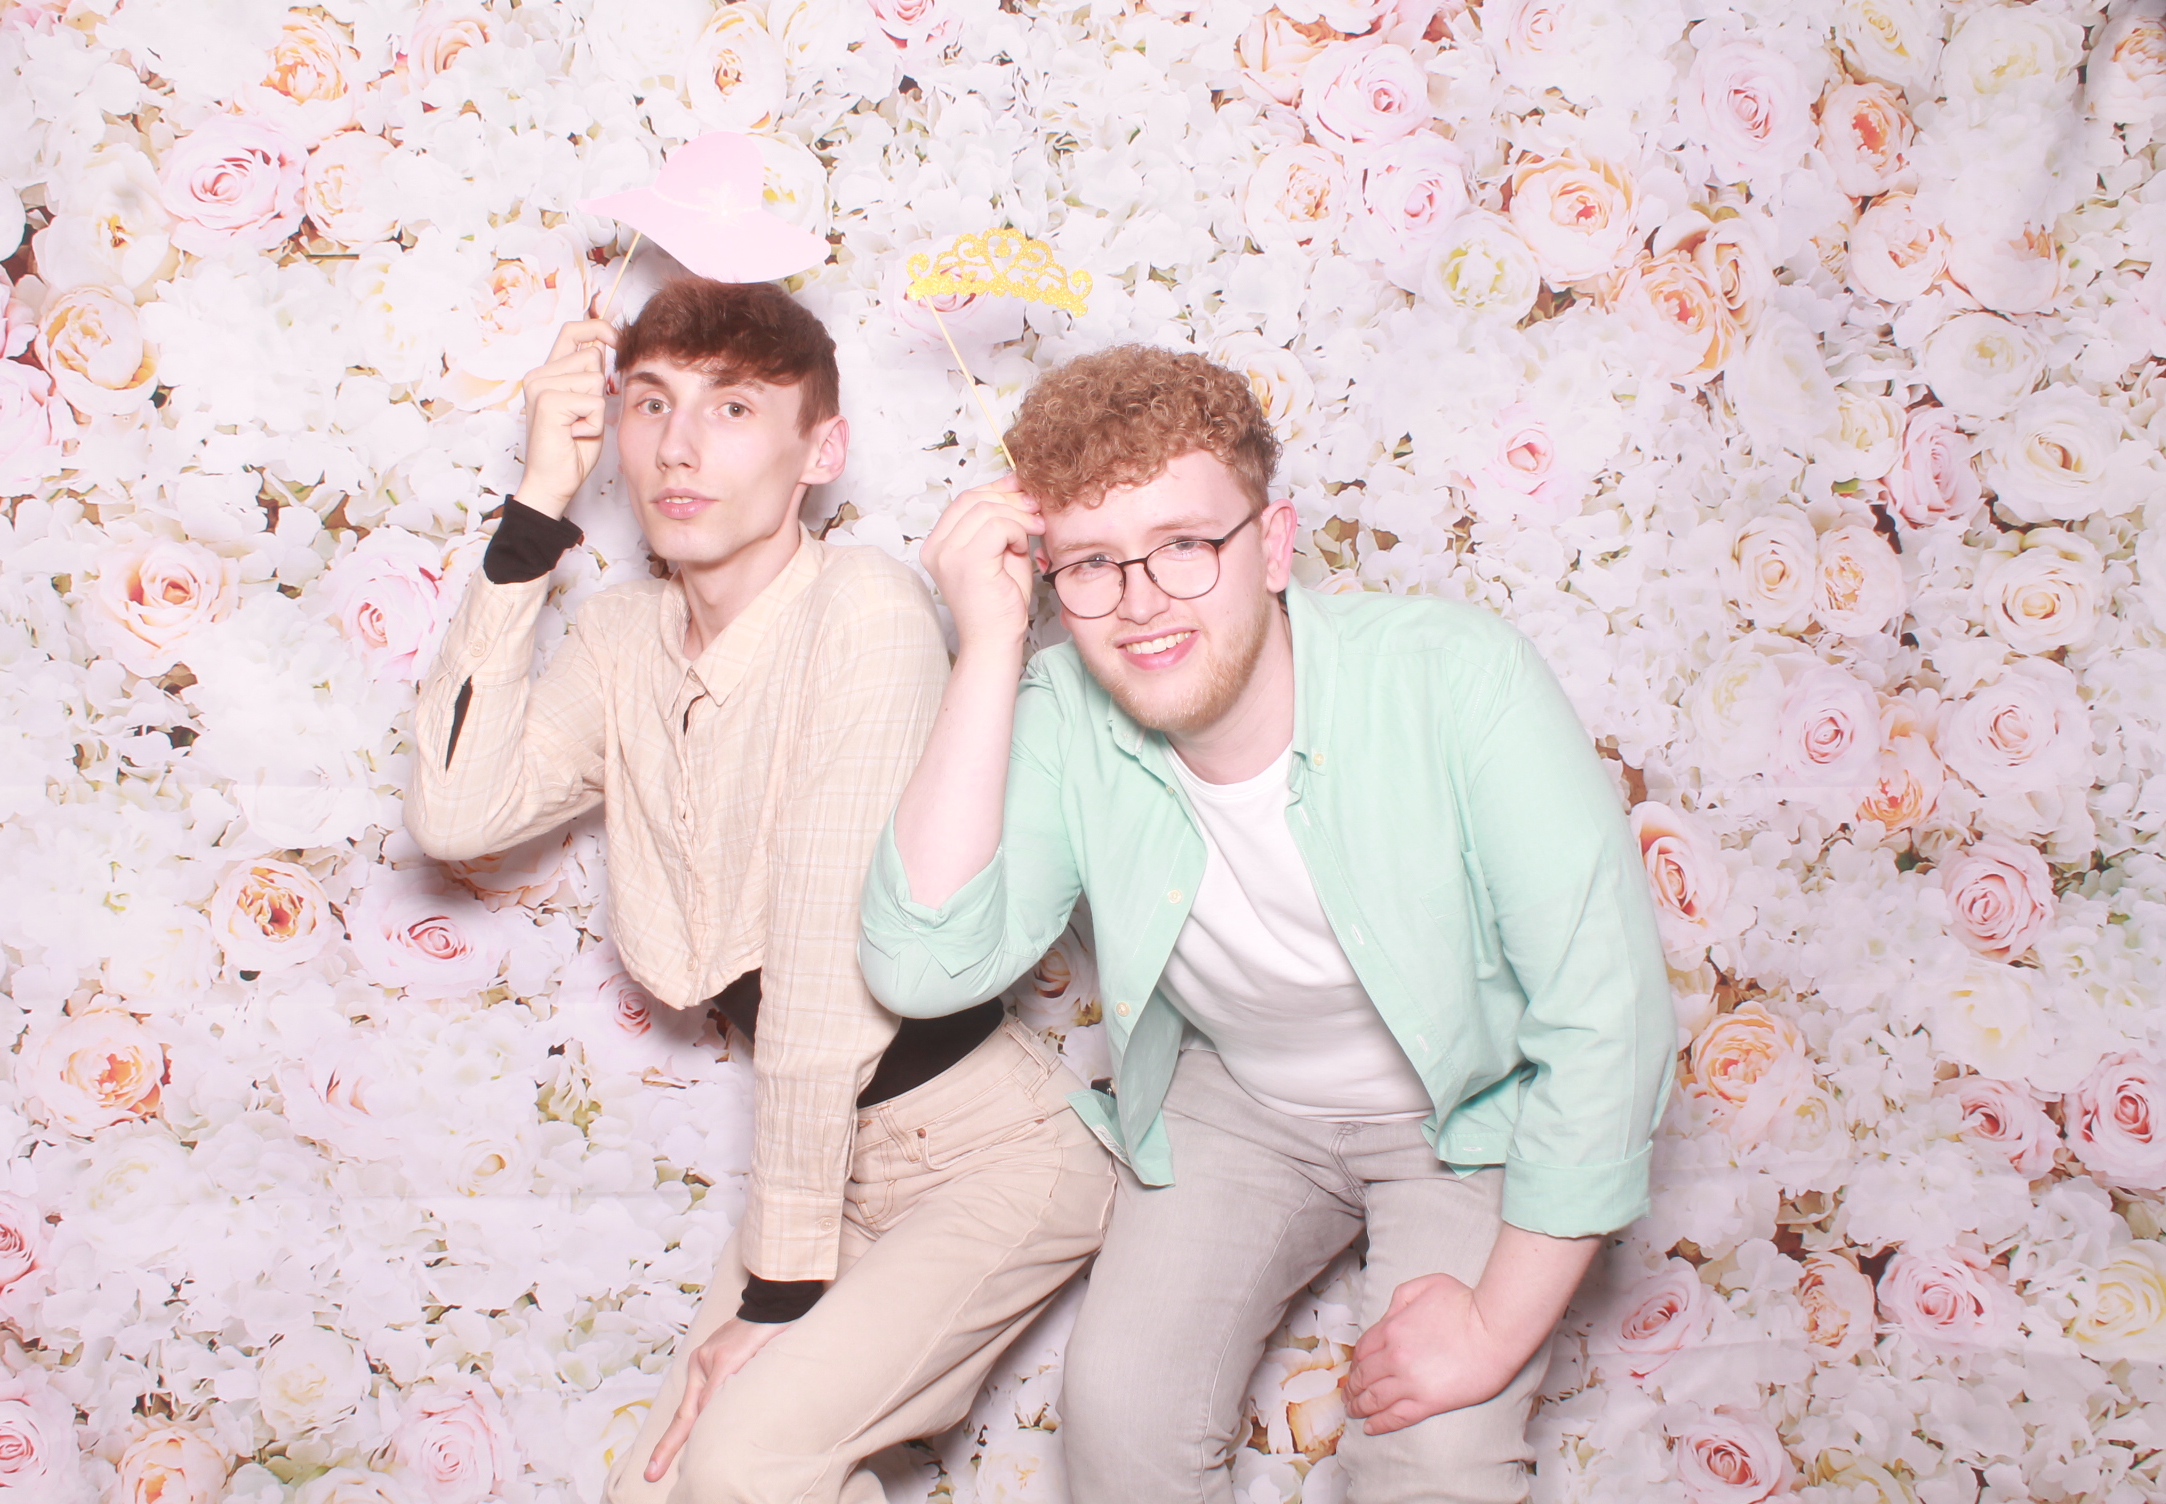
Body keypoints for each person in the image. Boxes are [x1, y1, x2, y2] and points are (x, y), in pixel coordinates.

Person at [859, 345, 1675, 1503]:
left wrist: (1493, 1326)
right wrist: (989, 641)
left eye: (1185, 545)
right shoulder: (1061, 708)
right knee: (1120, 1420)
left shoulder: (1460, 678)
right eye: (1092, 563)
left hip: (1475, 1111)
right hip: (1241, 1103)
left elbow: (1609, 1018)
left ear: (1275, 545)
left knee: (1436, 1454)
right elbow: (922, 963)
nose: (1142, 602)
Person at [403, 278, 1113, 1504]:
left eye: (733, 407)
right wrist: (536, 506)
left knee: (744, 1463)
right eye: (650, 403)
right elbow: (459, 811)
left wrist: (780, 1295)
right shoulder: (622, 640)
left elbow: (829, 986)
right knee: (657, 1488)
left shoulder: (865, 608)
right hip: (833, 1161)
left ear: (820, 450)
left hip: (989, 1154)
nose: (678, 446)